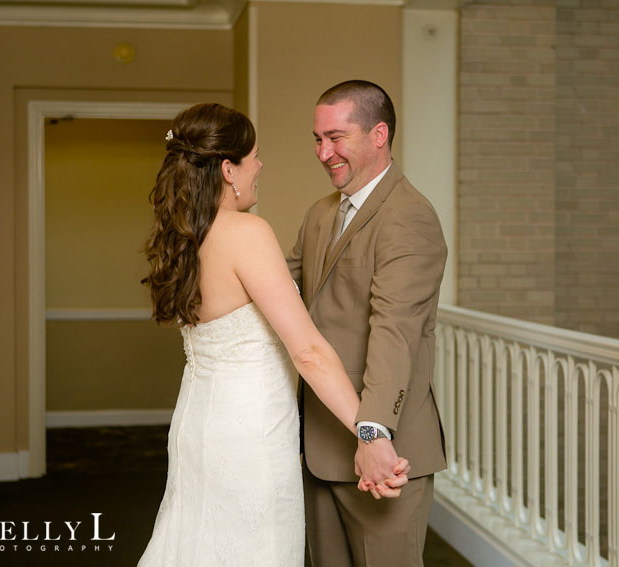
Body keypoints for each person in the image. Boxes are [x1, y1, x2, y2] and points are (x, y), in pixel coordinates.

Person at [137, 103, 408, 567]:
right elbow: (308, 352)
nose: (261, 166)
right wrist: (369, 433)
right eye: (254, 156)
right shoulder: (247, 232)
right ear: (228, 169)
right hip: (251, 435)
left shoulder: (182, 236)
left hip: (198, 425)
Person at [287, 80, 448, 567]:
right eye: (317, 139)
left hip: (383, 453)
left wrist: (373, 433)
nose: (323, 152)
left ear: (379, 135)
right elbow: (283, 291)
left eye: (337, 137)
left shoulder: (410, 217)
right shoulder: (320, 215)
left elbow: (395, 330)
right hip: (319, 444)